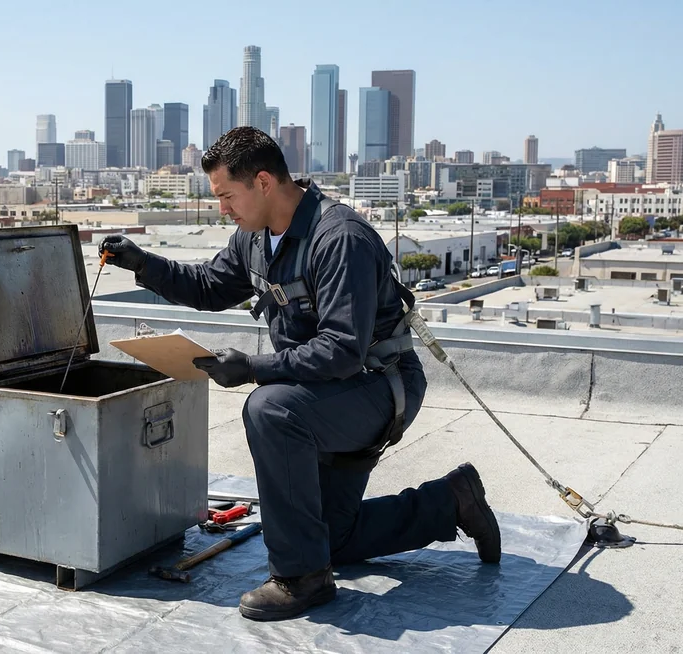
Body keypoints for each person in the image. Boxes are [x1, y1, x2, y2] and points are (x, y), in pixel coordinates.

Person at [99, 127, 501, 622]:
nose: (223, 208)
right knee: (332, 537)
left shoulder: (339, 238)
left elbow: (342, 351)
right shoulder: (254, 237)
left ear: (263, 182)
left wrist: (252, 368)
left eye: (227, 195)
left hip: (377, 386)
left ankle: (300, 579)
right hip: (323, 393)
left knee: (269, 409)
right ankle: (451, 501)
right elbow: (209, 285)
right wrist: (144, 264)